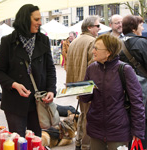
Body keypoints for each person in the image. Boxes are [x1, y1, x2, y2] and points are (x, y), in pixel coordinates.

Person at [0, 4, 56, 137]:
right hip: (15, 103)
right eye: (36, 19)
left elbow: (50, 68)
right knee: (18, 140)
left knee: (36, 139)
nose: (40, 23)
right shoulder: (7, 42)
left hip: (38, 102)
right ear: (25, 19)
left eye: (40, 19)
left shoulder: (43, 40)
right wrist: (14, 84)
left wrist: (51, 90)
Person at [79, 34, 145, 150]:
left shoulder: (125, 70)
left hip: (118, 130)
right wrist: (81, 90)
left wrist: (138, 130)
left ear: (108, 52)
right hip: (96, 128)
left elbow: (137, 102)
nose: (93, 51)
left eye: (96, 48)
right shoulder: (92, 68)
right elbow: (85, 99)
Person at [66, 16, 101, 150]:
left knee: (84, 115)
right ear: (89, 27)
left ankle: (79, 142)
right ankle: (85, 145)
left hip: (76, 86)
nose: (99, 28)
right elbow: (95, 66)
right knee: (89, 117)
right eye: (97, 26)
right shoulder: (93, 41)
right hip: (87, 86)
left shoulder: (74, 41)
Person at [120, 14, 147, 149]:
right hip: (142, 91)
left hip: (122, 91)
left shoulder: (117, 42)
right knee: (142, 123)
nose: (142, 27)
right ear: (134, 28)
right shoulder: (142, 43)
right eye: (141, 24)